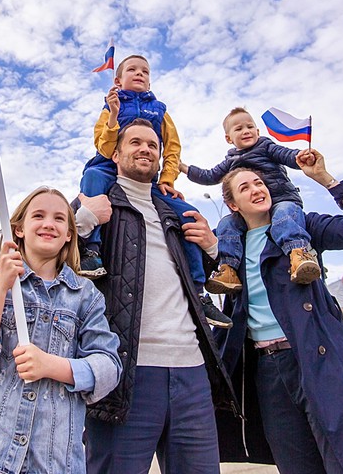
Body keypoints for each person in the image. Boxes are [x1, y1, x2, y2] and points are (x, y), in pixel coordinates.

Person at [212, 153, 343, 474]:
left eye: (259, 183)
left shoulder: (301, 227)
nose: (256, 189)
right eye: (245, 187)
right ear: (233, 204)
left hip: (316, 359)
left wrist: (326, 179)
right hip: (266, 371)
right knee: (296, 463)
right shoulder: (228, 249)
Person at [75, 119, 239, 474]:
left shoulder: (174, 211)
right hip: (123, 373)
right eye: (135, 142)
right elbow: (53, 254)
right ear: (115, 153)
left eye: (152, 145)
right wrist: (85, 217)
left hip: (192, 371)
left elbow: (215, 276)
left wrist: (212, 246)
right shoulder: (96, 201)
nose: (146, 149)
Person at [0, 187, 122, 474]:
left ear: (69, 234)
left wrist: (51, 365)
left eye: (59, 218)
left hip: (54, 465)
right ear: (19, 229)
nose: (49, 223)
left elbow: (109, 369)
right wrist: (1, 286)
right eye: (38, 216)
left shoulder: (86, 295)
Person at [78, 54, 230, 327]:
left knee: (189, 215)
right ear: (118, 80)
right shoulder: (110, 106)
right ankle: (91, 251)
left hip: (149, 178)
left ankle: (199, 291)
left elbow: (172, 149)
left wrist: (168, 179)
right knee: (91, 179)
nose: (140, 74)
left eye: (145, 71)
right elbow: (104, 148)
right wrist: (113, 116)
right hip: (107, 166)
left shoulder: (160, 111)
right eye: (132, 70)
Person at [180, 107, 320, 294]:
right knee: (226, 224)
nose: (246, 131)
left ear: (258, 131)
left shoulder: (266, 146)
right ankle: (228, 269)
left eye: (250, 127)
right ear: (228, 138)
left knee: (284, 215)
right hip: (250, 212)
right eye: (238, 129)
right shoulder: (231, 160)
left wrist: (300, 157)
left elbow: (286, 155)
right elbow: (209, 176)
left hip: (281, 199)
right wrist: (183, 167)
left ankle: (299, 254)